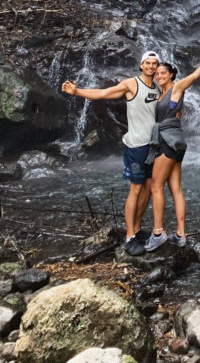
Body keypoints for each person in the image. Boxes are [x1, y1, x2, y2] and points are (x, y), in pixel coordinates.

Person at [61, 50, 161, 256]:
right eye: (148, 63)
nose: (151, 66)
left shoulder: (159, 86)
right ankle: (130, 237)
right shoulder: (131, 84)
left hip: (154, 146)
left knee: (150, 189)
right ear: (141, 65)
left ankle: (138, 229)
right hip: (136, 147)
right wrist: (77, 91)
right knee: (136, 189)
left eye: (154, 63)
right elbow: (103, 93)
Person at [144, 46, 200, 252]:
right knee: (176, 189)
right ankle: (180, 234)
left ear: (171, 75)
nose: (159, 75)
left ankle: (158, 233)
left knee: (155, 186)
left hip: (167, 141)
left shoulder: (176, 88)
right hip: (176, 141)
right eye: (157, 73)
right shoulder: (160, 94)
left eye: (163, 73)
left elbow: (194, 75)